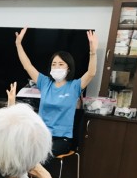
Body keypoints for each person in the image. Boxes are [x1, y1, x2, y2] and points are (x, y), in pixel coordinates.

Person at [15, 28, 98, 157]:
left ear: (68, 68)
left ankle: (36, 170)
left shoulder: (74, 86)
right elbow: (28, 66)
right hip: (41, 135)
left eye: (61, 64)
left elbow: (91, 73)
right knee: (19, 150)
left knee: (40, 155)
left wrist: (93, 52)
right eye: (54, 64)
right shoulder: (45, 82)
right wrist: (18, 44)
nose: (56, 67)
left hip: (62, 139)